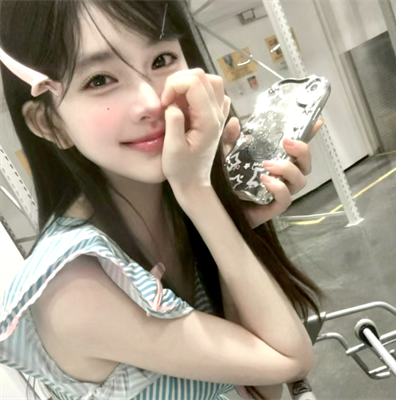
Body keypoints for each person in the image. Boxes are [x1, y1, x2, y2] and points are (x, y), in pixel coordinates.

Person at [0, 1, 325, 399]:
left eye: (162, 59)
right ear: (49, 123)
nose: (152, 103)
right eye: (99, 80)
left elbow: (259, 391)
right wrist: (200, 193)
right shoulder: (75, 289)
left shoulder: (175, 208)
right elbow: (291, 359)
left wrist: (230, 220)